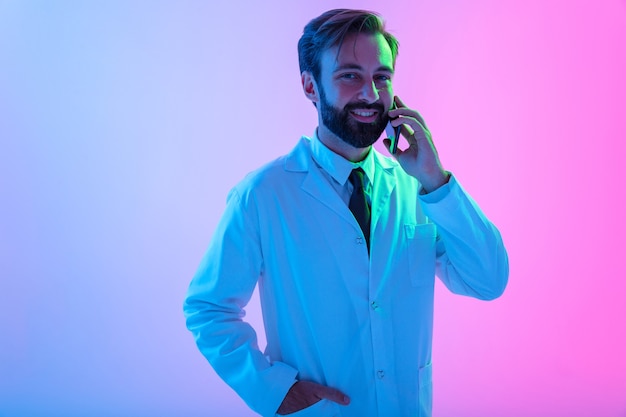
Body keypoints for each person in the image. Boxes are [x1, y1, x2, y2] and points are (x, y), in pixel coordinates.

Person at [184, 8, 508, 417]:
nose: (371, 94)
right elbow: (208, 308)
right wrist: (271, 390)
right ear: (310, 86)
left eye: (382, 77)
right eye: (350, 75)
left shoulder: (418, 187)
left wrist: (435, 178)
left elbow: (488, 280)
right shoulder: (263, 196)